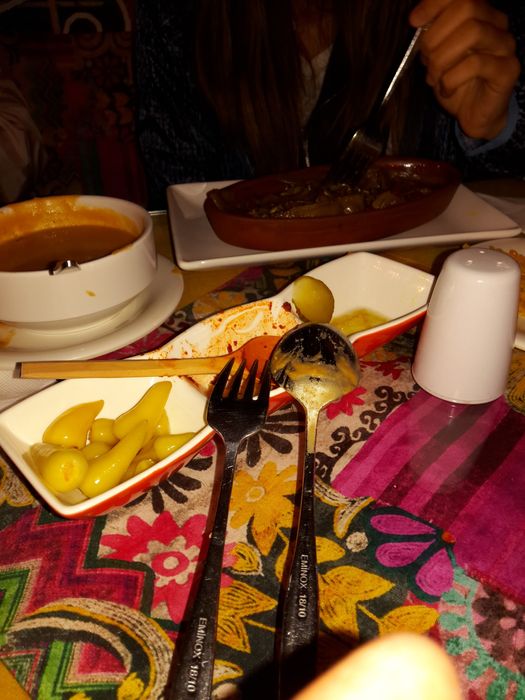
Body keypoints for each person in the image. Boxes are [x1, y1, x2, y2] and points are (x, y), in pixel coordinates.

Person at [135, 0, 524, 210]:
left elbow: (501, 198)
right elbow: (179, 201)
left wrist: (494, 129)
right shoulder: (178, 15)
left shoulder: (461, 11)